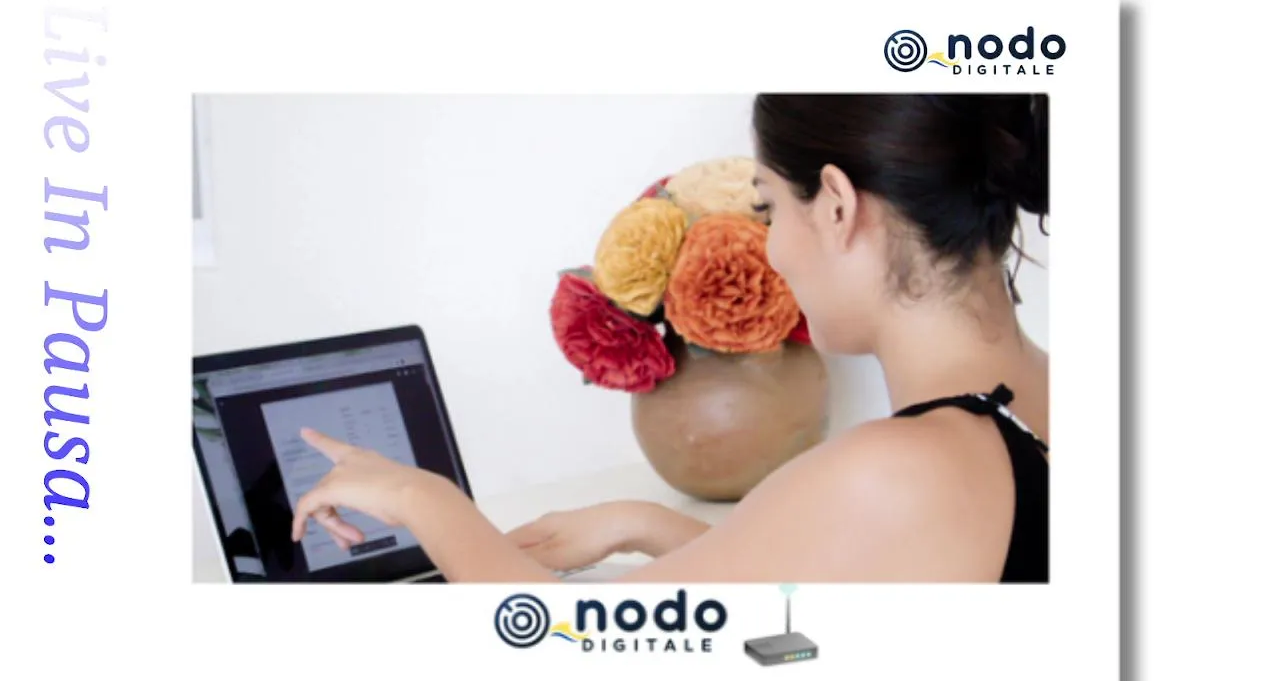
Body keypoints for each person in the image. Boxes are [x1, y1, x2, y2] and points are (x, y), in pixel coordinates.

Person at [291, 93, 1051, 583]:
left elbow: (562, 643)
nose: (772, 248)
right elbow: (849, 559)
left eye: (769, 208)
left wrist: (419, 498)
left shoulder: (899, 469)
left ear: (837, 205)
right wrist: (643, 522)